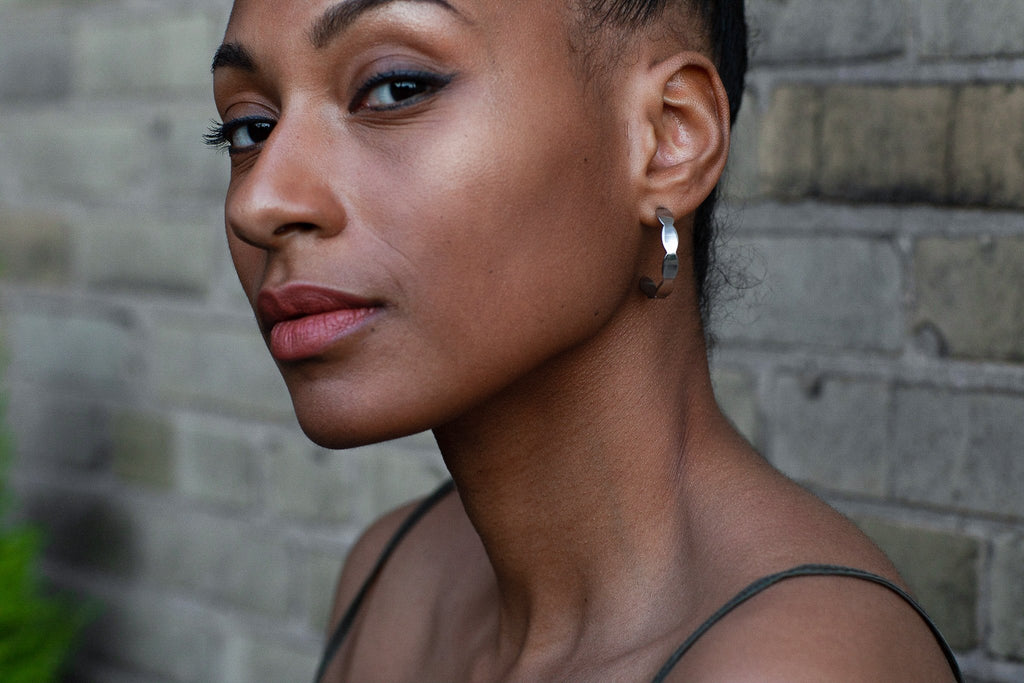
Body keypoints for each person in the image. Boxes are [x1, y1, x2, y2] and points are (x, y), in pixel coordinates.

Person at [207, 0, 964, 680]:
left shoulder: (796, 664)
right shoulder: (389, 578)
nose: (260, 200)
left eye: (395, 88)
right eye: (250, 128)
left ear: (667, 138)